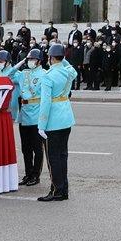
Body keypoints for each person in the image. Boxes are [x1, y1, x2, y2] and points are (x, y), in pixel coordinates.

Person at [38, 43, 77, 202]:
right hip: (66, 118)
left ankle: (57, 190)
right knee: (62, 155)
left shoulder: (47, 76)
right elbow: (72, 69)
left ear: (51, 58)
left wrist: (41, 125)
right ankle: (64, 189)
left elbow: (45, 103)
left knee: (53, 157)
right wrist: (63, 60)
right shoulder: (68, 72)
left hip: (53, 121)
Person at [13, 48, 47, 186]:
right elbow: (9, 74)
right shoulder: (23, 73)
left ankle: (35, 175)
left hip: (37, 113)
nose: (31, 62)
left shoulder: (44, 74)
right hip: (24, 113)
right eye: (29, 59)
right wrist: (21, 62)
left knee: (37, 148)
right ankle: (27, 174)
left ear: (39, 61)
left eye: (33, 59)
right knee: (25, 148)